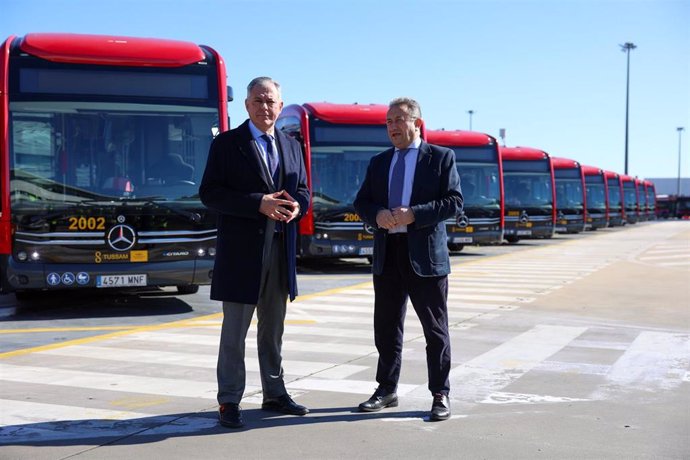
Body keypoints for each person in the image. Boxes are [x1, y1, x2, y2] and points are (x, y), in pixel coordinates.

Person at [199, 76, 311, 429]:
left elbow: (304, 191)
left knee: (273, 328)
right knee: (235, 331)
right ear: (247, 105)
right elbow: (210, 194)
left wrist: (297, 208)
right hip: (242, 253)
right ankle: (229, 400)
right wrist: (257, 203)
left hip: (280, 249)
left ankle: (274, 393)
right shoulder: (228, 144)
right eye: (258, 101)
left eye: (271, 101)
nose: (265, 107)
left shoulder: (292, 145)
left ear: (281, 105)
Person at [353, 97, 463, 421]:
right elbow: (361, 202)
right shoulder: (379, 162)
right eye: (388, 122)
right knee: (386, 328)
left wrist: (414, 214)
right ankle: (386, 389)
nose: (393, 127)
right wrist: (379, 214)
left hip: (425, 258)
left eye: (399, 120)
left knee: (435, 330)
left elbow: (454, 202)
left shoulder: (440, 158)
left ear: (417, 122)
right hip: (388, 254)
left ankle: (440, 394)